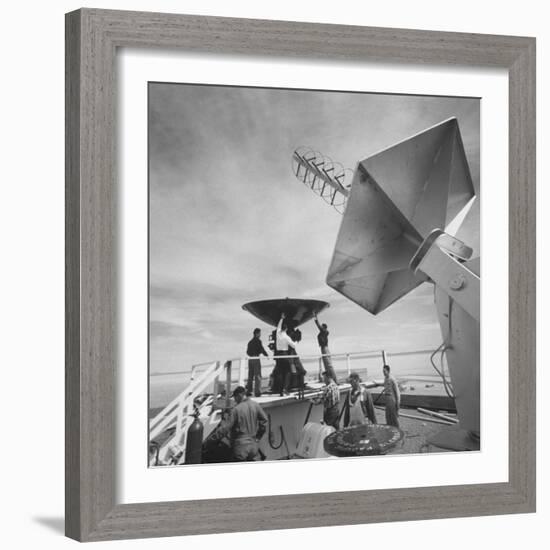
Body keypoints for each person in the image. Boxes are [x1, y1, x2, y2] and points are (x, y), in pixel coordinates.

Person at [224, 386, 268, 461]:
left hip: (240, 447)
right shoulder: (255, 405)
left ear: (240, 395)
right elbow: (264, 420)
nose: (234, 400)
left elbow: (225, 428)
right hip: (253, 445)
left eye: (235, 397)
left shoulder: (236, 409)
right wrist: (258, 436)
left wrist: (211, 440)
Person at [273, 313, 300, 396]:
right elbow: (293, 345)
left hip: (278, 355)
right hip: (285, 355)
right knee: (288, 372)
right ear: (286, 329)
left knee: (280, 373)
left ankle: (281, 391)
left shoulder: (278, 333)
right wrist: (297, 340)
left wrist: (281, 318)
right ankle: (285, 389)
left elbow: (278, 326)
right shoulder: (286, 337)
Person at [314, 312, 338, 383]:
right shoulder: (323, 332)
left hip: (325, 348)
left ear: (324, 327)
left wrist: (315, 317)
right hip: (323, 348)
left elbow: (318, 325)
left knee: (329, 365)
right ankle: (331, 380)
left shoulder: (324, 331)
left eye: (321, 327)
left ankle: (335, 380)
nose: (320, 327)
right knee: (327, 365)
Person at [246, 328, 268, 397]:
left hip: (250, 359)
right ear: (257, 334)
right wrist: (266, 354)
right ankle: (257, 392)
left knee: (250, 375)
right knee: (257, 375)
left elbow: (247, 352)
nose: (260, 335)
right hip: (256, 358)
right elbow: (261, 349)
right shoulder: (258, 341)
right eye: (259, 333)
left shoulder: (250, 342)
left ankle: (249, 391)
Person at [287, 323, 307, 399]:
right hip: (291, 355)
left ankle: (297, 384)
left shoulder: (287, 337)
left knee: (300, 371)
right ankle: (296, 385)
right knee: (297, 371)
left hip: (291, 354)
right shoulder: (289, 338)